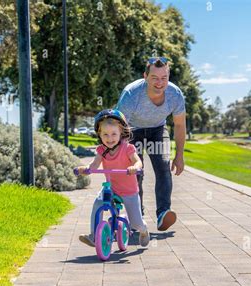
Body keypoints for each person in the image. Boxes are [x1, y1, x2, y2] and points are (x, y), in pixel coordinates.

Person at [116, 56, 186, 231]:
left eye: (164, 78)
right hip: (131, 130)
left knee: (163, 167)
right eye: (154, 78)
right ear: (145, 76)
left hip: (157, 129)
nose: (159, 83)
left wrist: (179, 156)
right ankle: (136, 216)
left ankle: (163, 213)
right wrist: (120, 155)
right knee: (136, 173)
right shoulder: (131, 94)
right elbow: (119, 126)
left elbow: (179, 125)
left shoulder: (175, 94)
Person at [78, 109, 150, 247]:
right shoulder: (101, 150)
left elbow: (138, 161)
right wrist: (86, 169)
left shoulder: (128, 148)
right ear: (99, 134)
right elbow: (94, 165)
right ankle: (94, 236)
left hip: (129, 191)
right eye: (105, 134)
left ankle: (144, 230)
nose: (109, 138)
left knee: (136, 223)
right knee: (98, 204)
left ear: (121, 132)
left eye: (113, 134)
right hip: (111, 189)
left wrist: (135, 167)